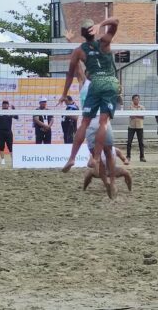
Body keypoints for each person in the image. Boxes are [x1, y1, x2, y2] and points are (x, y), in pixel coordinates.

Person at [59, 17, 120, 197]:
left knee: (84, 124)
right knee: (108, 150)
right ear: (93, 32)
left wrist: (64, 94)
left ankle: (73, 158)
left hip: (93, 103)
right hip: (108, 86)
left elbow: (73, 70)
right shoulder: (105, 42)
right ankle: (104, 171)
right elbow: (115, 22)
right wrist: (100, 25)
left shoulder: (83, 72)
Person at [82, 121, 132, 193]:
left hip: (112, 170)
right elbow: (89, 164)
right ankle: (84, 189)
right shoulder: (96, 151)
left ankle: (130, 189)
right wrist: (92, 164)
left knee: (127, 173)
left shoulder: (115, 150)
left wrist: (126, 161)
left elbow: (124, 159)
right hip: (100, 171)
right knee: (89, 173)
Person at [0, 100, 18, 165]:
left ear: (8, 105)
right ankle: (2, 159)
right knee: (1, 146)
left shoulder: (10, 112)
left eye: (6, 104)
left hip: (8, 132)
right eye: (4, 104)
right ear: (2, 105)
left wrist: (14, 109)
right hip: (0, 132)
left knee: (10, 146)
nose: (5, 105)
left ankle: (13, 160)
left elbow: (17, 117)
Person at [126, 94, 146, 162]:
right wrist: (138, 115)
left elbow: (143, 116)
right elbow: (131, 116)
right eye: (135, 99)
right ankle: (128, 156)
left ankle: (142, 157)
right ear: (132, 100)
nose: (136, 100)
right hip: (131, 127)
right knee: (129, 142)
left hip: (140, 127)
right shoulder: (130, 107)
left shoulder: (142, 107)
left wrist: (136, 115)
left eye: (137, 99)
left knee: (141, 143)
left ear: (139, 100)